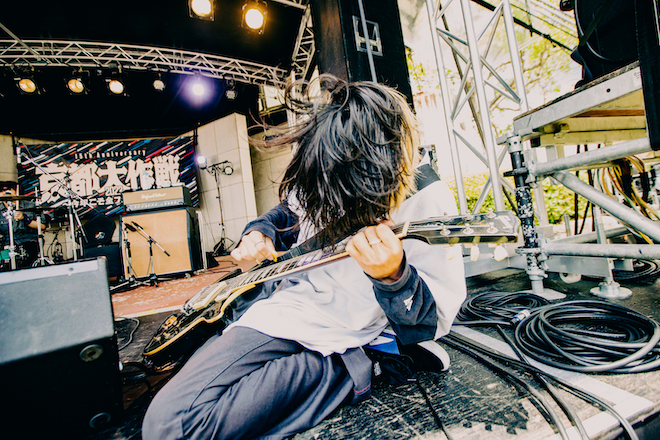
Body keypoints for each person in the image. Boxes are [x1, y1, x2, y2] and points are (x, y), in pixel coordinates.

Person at [142, 75, 467, 440]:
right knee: (173, 409)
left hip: (351, 329)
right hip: (287, 306)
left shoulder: (429, 199)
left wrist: (394, 277)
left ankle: (364, 364)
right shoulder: (327, 166)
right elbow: (289, 211)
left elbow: (431, 322)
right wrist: (259, 230)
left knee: (173, 426)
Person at [0, 181, 42, 269]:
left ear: (16, 191)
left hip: (27, 241)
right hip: (7, 243)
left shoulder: (30, 205)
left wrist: (25, 219)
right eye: (1, 191)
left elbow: (42, 226)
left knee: (29, 251)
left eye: (8, 190)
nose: (5, 193)